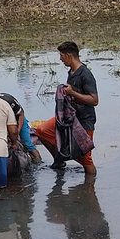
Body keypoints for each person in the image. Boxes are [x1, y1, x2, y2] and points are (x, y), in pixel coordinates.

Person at [31, 41, 99, 174]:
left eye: (61, 55)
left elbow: (94, 100)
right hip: (70, 117)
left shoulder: (85, 74)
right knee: (42, 130)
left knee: (86, 158)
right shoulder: (71, 72)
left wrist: (72, 93)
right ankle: (59, 159)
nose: (60, 59)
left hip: (84, 120)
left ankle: (90, 188)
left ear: (69, 55)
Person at [0, 90, 42, 169]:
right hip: (4, 120)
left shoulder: (8, 100)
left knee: (27, 143)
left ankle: (39, 164)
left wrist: (17, 132)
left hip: (18, 117)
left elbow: (21, 114)